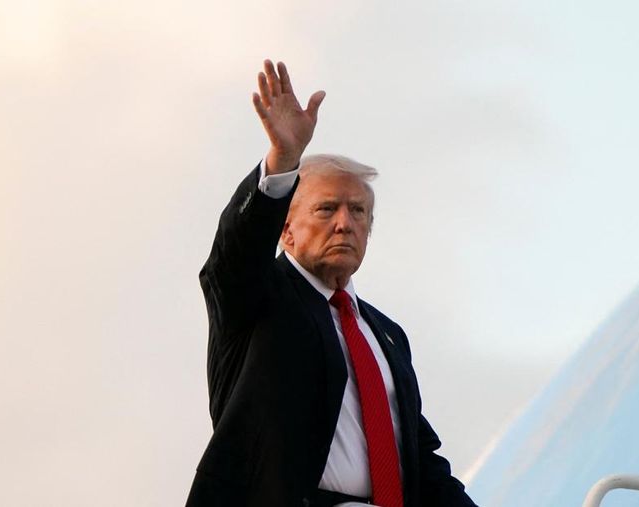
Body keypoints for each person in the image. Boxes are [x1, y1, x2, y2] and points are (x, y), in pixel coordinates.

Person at [186, 59, 477, 507]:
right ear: (286, 230)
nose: (345, 223)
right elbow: (234, 256)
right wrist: (282, 161)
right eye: (326, 210)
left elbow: (418, 458)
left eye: (358, 211)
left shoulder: (386, 334)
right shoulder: (260, 298)